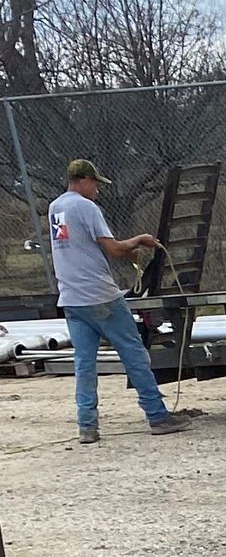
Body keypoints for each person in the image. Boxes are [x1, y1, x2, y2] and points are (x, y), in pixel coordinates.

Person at [48, 158, 185, 445]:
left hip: (71, 298)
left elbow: (80, 247)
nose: (97, 190)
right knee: (134, 354)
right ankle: (157, 416)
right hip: (100, 296)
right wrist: (139, 241)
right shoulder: (86, 207)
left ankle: (87, 426)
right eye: (95, 184)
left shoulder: (55, 208)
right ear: (84, 180)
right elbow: (113, 249)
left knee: (84, 363)